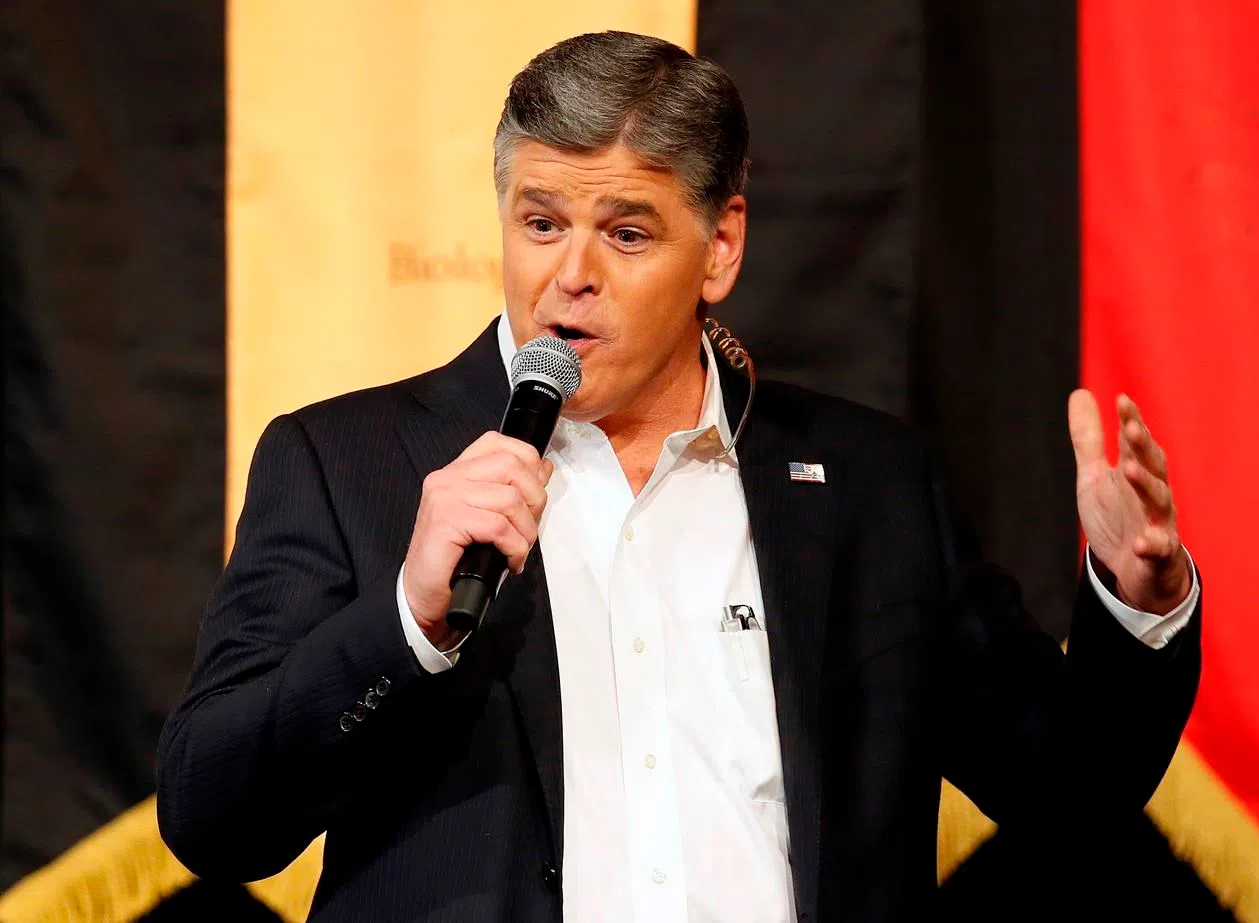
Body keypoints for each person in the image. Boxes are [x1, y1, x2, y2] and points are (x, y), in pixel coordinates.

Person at [156, 31, 1201, 923]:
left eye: (625, 232)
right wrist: (406, 622)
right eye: (540, 222)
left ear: (719, 247)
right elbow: (212, 817)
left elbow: (1068, 796)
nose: (570, 275)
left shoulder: (871, 483)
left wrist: (1137, 602)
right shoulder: (349, 462)